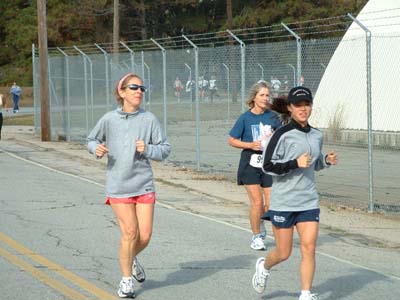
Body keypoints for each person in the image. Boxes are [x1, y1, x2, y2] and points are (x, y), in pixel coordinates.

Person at [87, 73, 171, 298]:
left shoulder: (149, 119)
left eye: (142, 88)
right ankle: (126, 281)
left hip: (143, 184)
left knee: (144, 236)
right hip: (118, 184)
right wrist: (96, 148)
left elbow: (164, 149)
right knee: (130, 232)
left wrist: (148, 149)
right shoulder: (108, 119)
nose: (139, 92)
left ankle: (130, 257)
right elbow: (91, 139)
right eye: (134, 87)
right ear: (121, 92)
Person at [252, 86, 338, 300]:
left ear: (311, 107)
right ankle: (264, 266)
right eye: (298, 105)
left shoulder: (317, 135)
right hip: (284, 202)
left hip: (308, 201)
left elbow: (313, 164)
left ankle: (306, 294)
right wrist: (294, 163)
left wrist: (325, 161)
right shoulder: (281, 134)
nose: (303, 109)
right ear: (290, 108)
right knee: (283, 253)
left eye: (306, 104)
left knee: (309, 248)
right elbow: (267, 167)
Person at [229, 80, 282, 250]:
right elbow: (232, 140)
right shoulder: (245, 118)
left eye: (267, 95)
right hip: (250, 163)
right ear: (254, 97)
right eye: (262, 95)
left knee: (271, 203)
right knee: (257, 203)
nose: (265, 98)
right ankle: (256, 236)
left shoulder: (273, 116)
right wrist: (250, 145)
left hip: (268, 163)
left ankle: (261, 222)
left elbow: (282, 137)